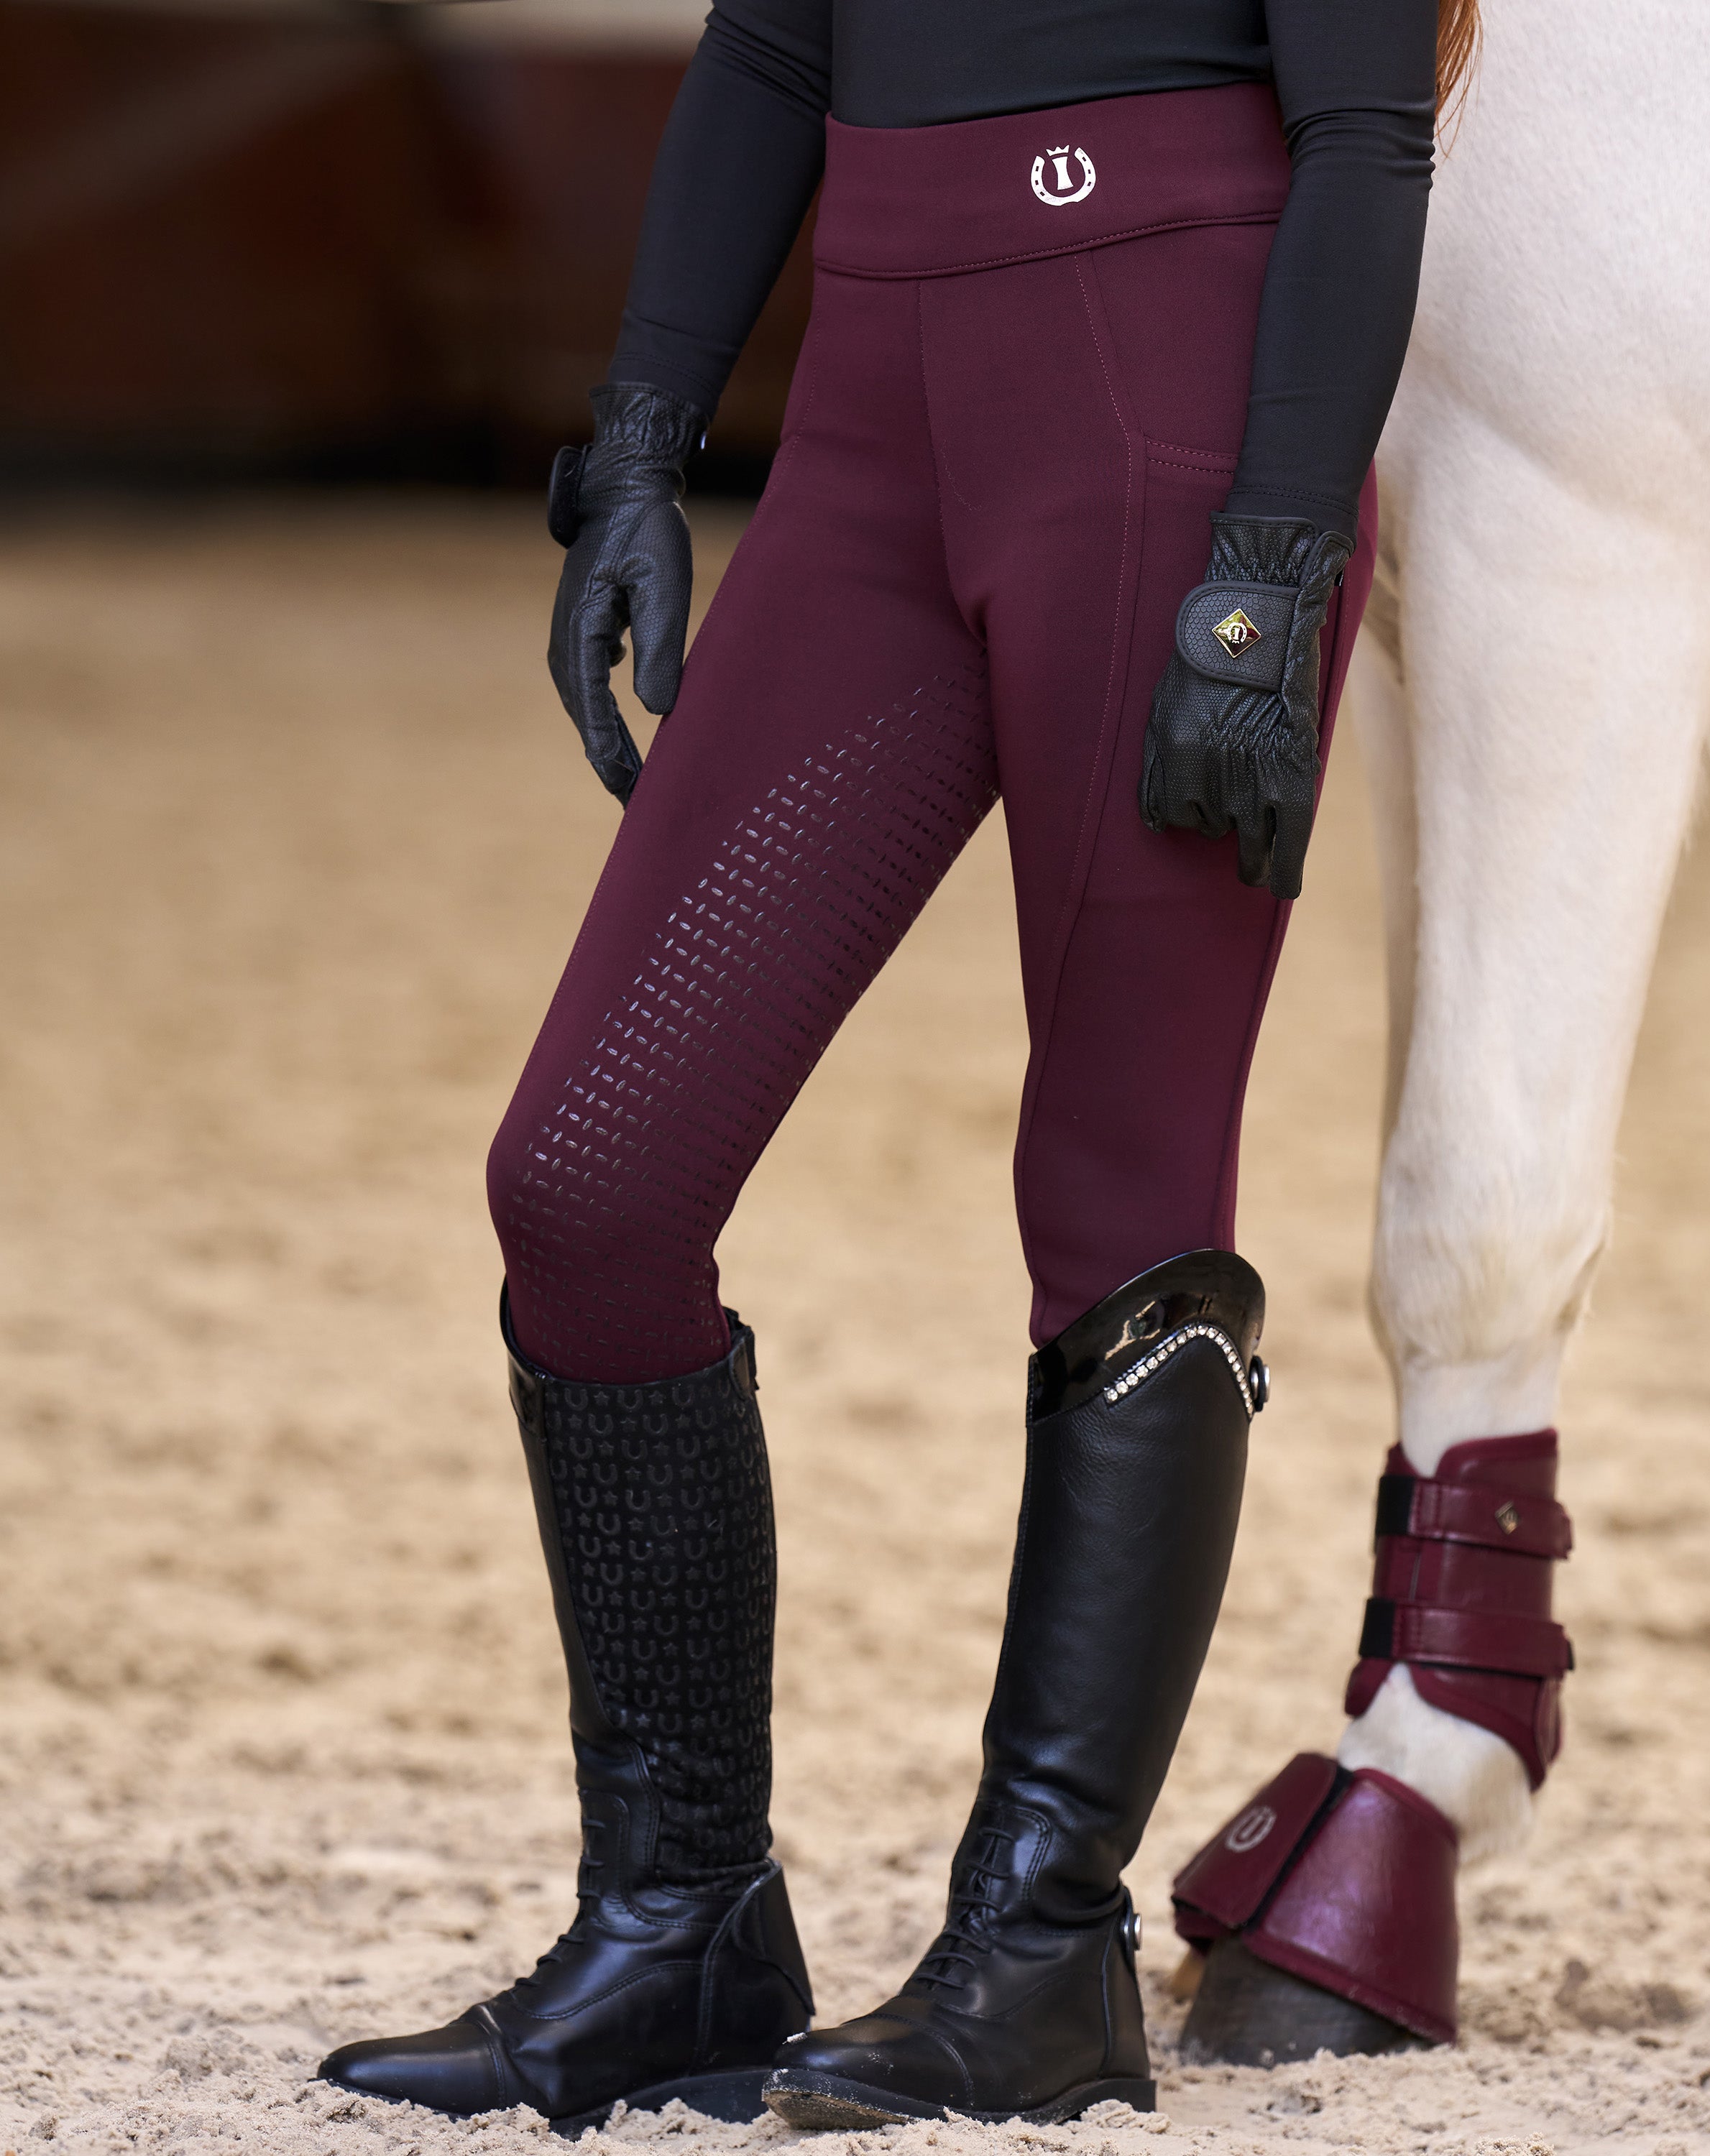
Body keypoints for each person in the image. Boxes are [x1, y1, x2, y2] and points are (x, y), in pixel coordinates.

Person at [319, 0, 1438, 2129]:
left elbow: (1371, 137)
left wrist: (1278, 562)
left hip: (1174, 429)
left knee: (1118, 1197)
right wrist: (640, 437)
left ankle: (1041, 1951)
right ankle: (682, 1926)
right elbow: (769, 44)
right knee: (589, 1182)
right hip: (875, 413)